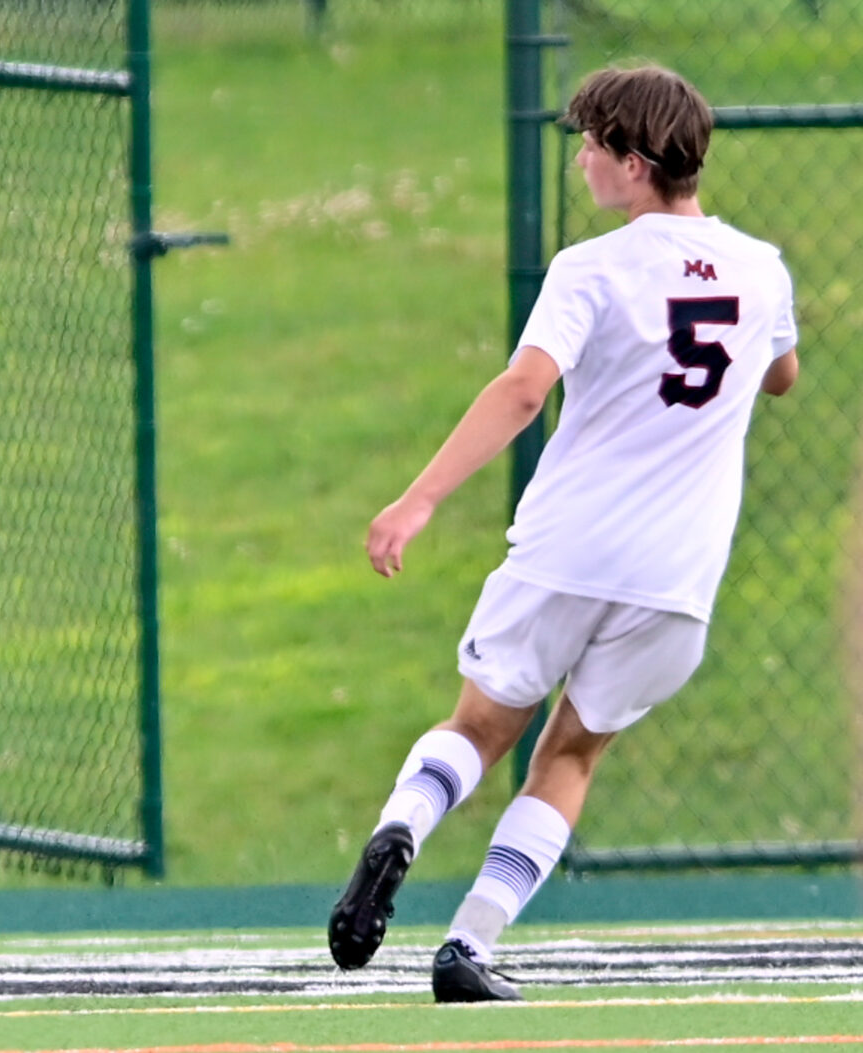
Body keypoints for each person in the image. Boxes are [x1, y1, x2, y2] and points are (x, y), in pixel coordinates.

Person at [327, 65, 799, 1002]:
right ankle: (469, 944)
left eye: (591, 145)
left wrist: (418, 500)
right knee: (573, 754)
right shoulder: (762, 268)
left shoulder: (591, 268)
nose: (581, 158)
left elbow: (524, 390)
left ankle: (404, 829)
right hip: (677, 574)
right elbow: (781, 376)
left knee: (480, 727)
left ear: (633, 164)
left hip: (569, 547)